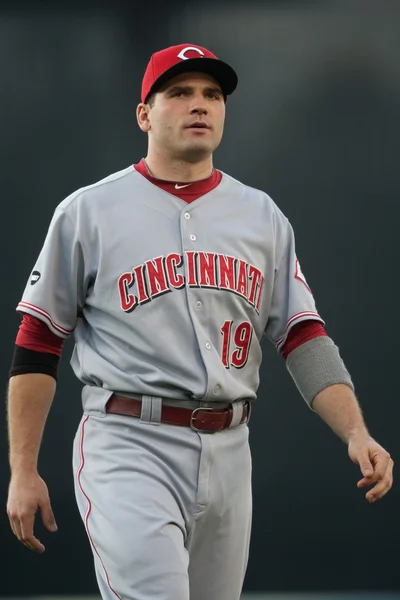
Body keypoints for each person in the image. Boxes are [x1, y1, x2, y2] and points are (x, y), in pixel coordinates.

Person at [6, 43, 393, 600]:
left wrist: (356, 432)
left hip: (232, 451)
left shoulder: (261, 216)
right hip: (129, 444)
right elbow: (38, 342)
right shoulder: (88, 211)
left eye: (212, 94)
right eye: (180, 92)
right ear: (144, 113)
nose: (200, 105)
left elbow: (303, 335)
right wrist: (24, 468)